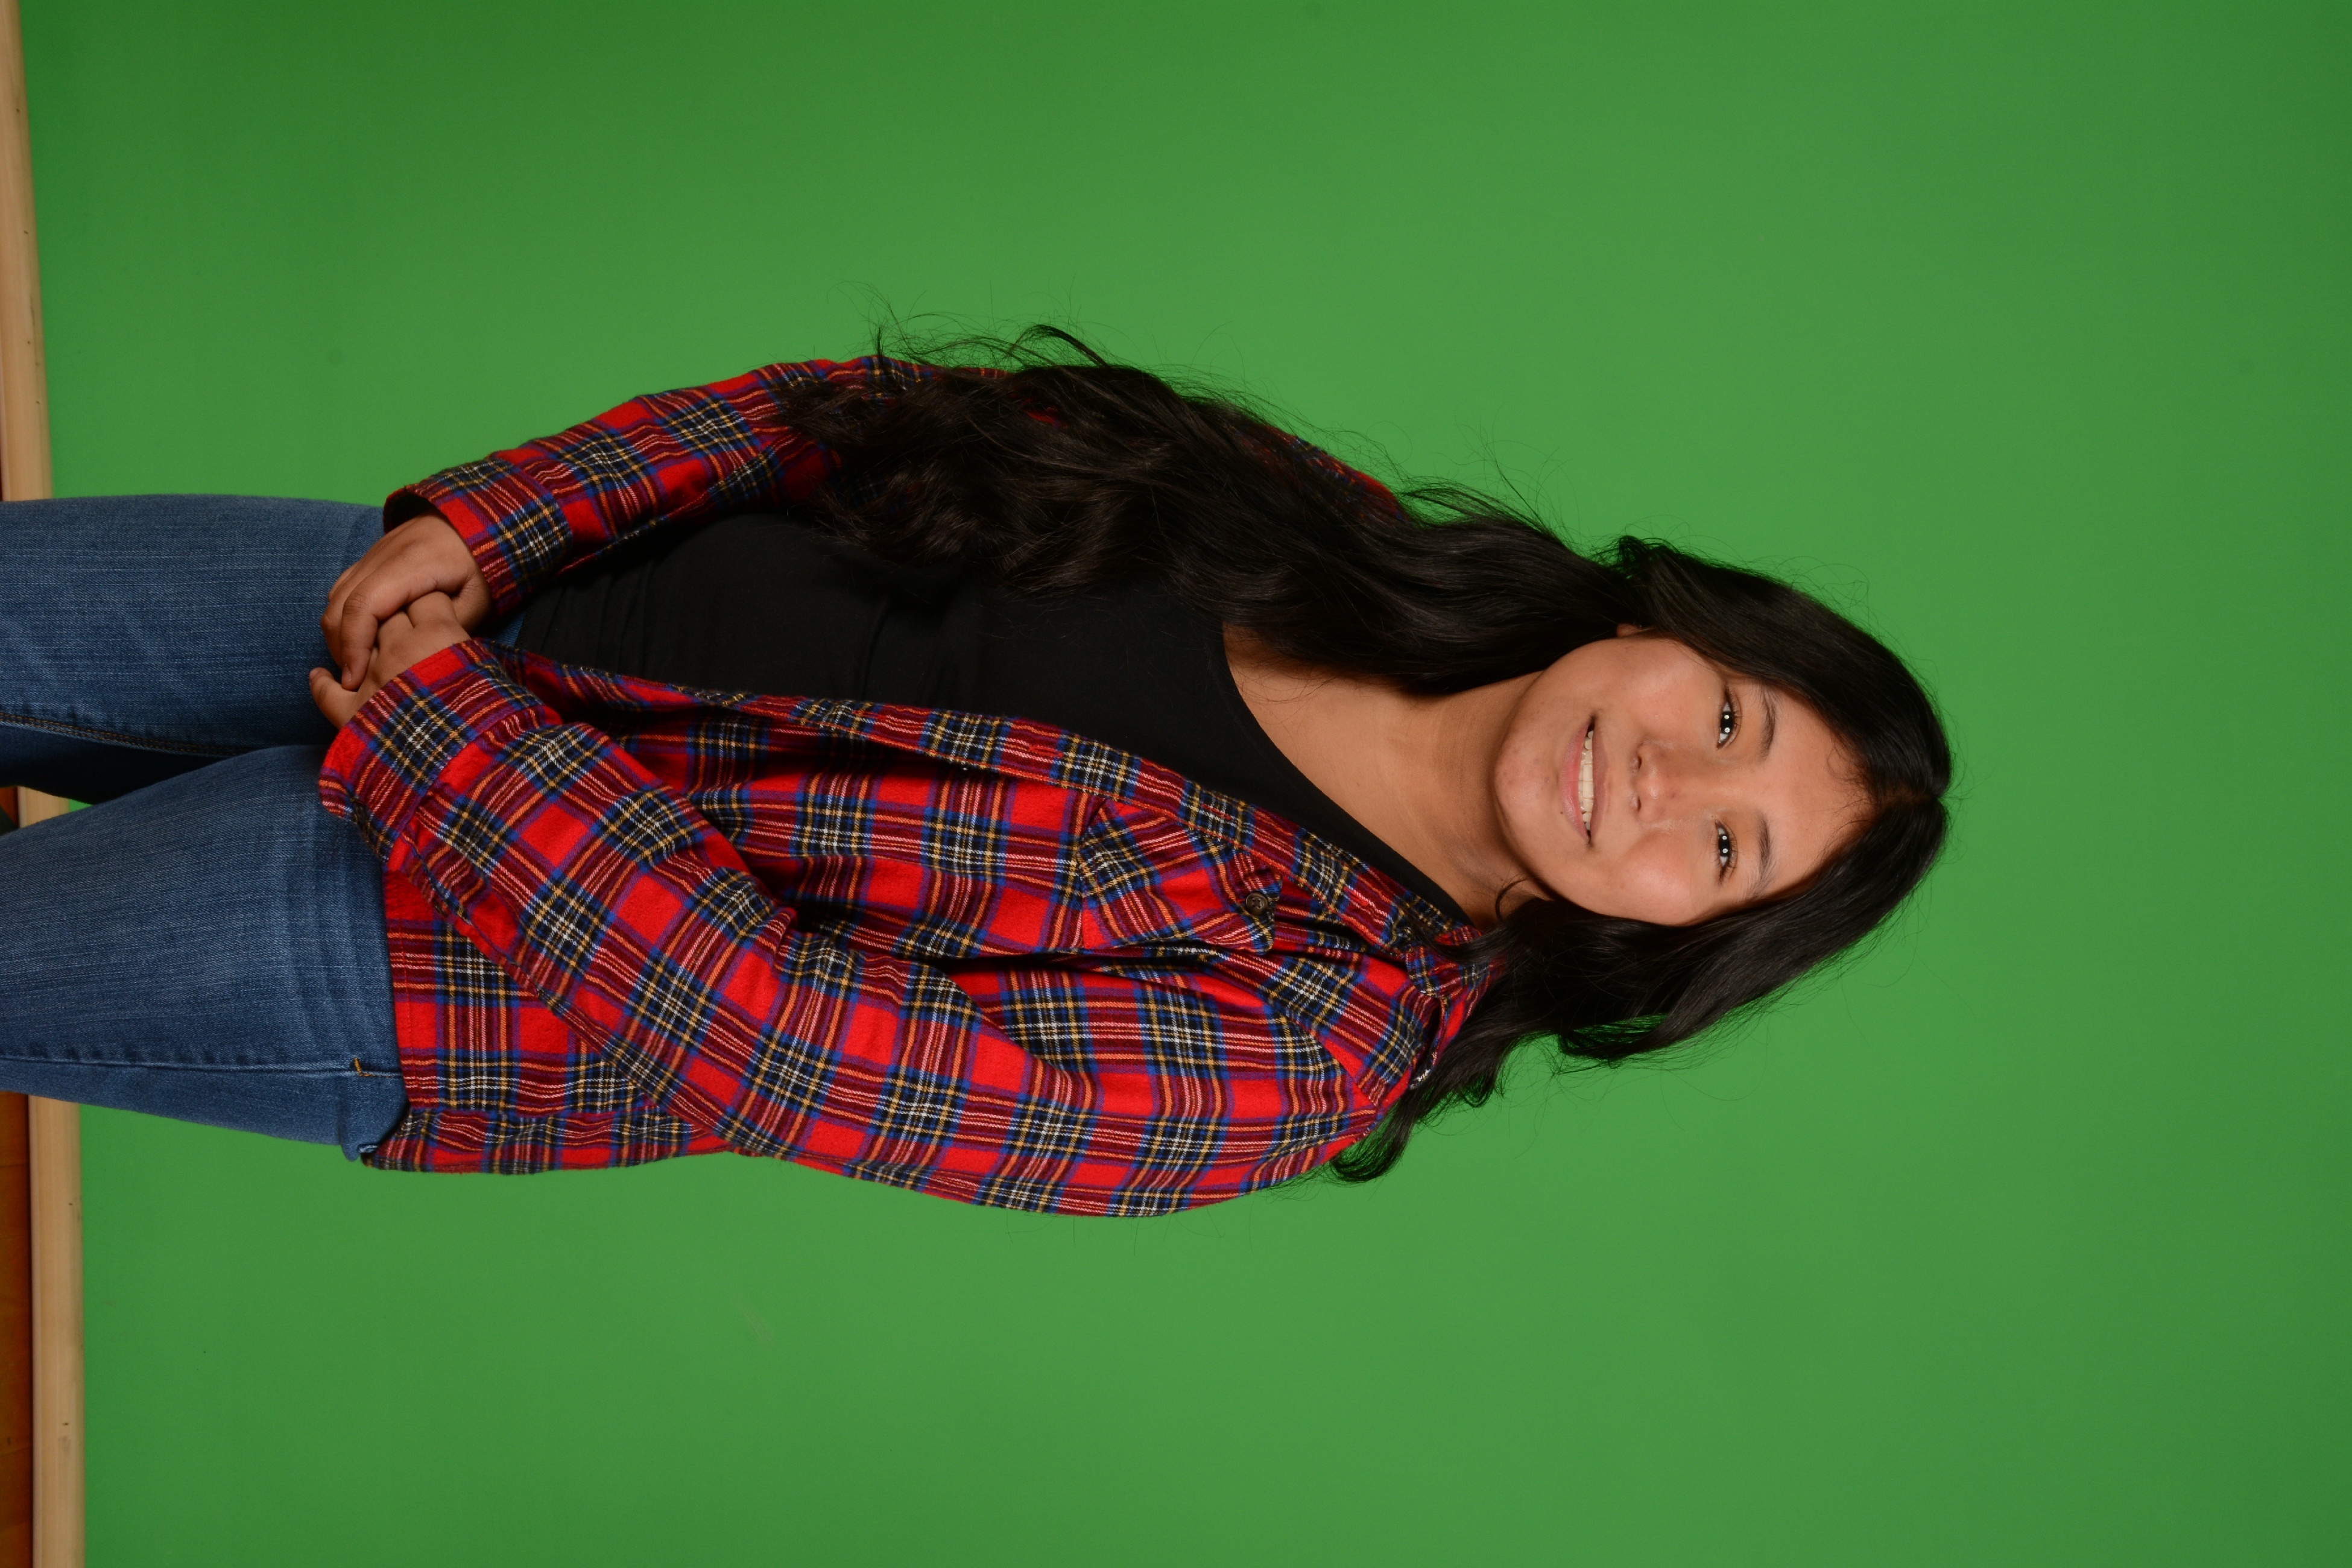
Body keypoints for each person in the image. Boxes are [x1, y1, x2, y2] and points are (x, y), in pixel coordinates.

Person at [0, 334, 1949, 1216]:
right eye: (1728, 719)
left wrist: (448, 731)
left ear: (1664, 941)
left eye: (1725, 851)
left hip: (437, 946)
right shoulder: (1326, 529)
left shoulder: (1314, 1046)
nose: (1665, 784)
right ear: (1671, 622)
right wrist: (507, 517)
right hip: (471, 608)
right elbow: (866, 417)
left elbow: (802, 1051)